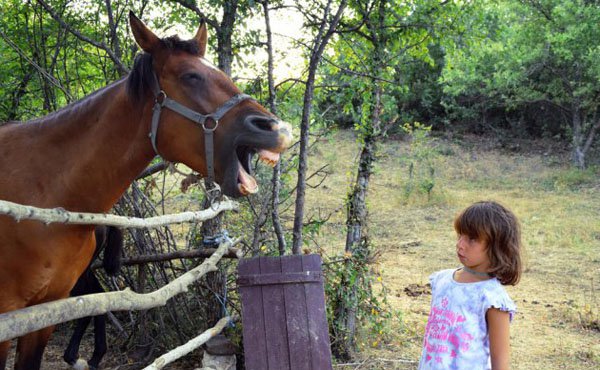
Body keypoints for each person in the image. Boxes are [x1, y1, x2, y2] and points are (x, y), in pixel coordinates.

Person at [418, 201, 522, 369]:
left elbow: (500, 362)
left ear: (496, 246)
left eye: (472, 239)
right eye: (460, 235)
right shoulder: (442, 280)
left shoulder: (492, 298)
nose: (460, 244)